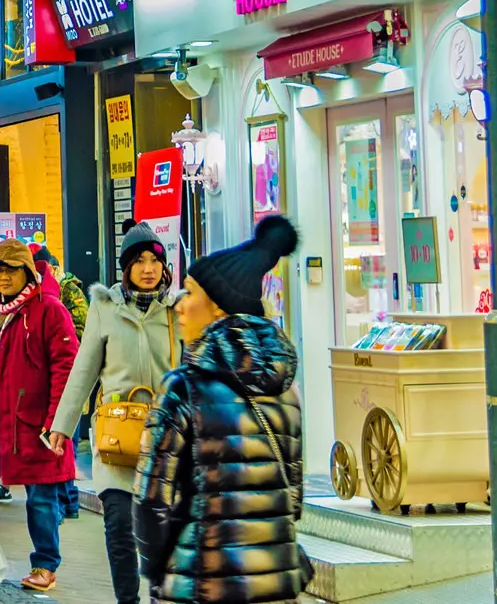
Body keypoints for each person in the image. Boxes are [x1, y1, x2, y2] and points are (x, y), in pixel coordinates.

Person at [136, 215, 310, 604]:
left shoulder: (184, 389)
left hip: (201, 583)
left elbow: (151, 500)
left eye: (191, 292)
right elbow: (292, 502)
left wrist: (158, 568)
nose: (180, 305)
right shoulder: (286, 391)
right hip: (275, 588)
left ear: (217, 308)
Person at [48, 222, 179, 604]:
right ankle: (128, 600)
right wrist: (62, 426)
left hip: (164, 439)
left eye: (154, 260)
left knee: (160, 527)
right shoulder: (104, 308)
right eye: (139, 261)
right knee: (119, 523)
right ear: (126, 268)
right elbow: (84, 370)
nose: (148, 268)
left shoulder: (177, 311)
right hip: (115, 436)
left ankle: (160, 594)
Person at [0, 238, 79, 594]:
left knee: (40, 496)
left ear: (27, 271)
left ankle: (45, 564)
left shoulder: (49, 310)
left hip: (32, 420)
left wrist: (57, 419)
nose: (4, 277)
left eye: (12, 269)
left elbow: (65, 366)